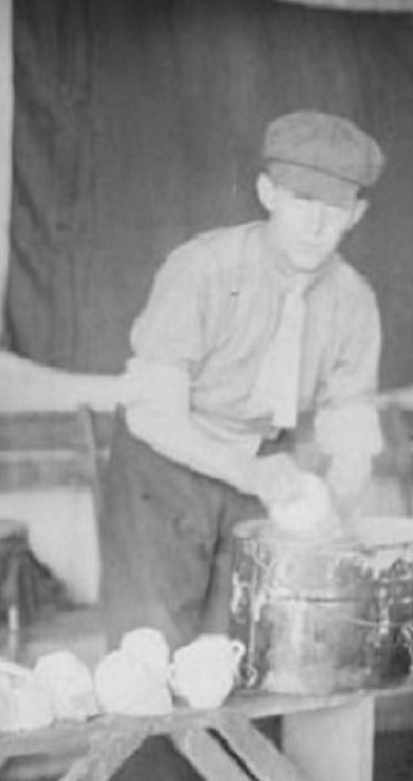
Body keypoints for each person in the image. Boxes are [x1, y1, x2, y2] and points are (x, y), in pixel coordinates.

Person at [99, 110, 387, 651]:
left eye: (335, 207)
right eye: (302, 199)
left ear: (357, 215)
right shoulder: (204, 268)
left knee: (247, 647)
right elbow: (152, 413)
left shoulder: (354, 301)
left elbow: (351, 425)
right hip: (163, 470)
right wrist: (247, 472)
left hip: (261, 472)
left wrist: (331, 507)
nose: (316, 224)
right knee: (150, 655)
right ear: (267, 193)